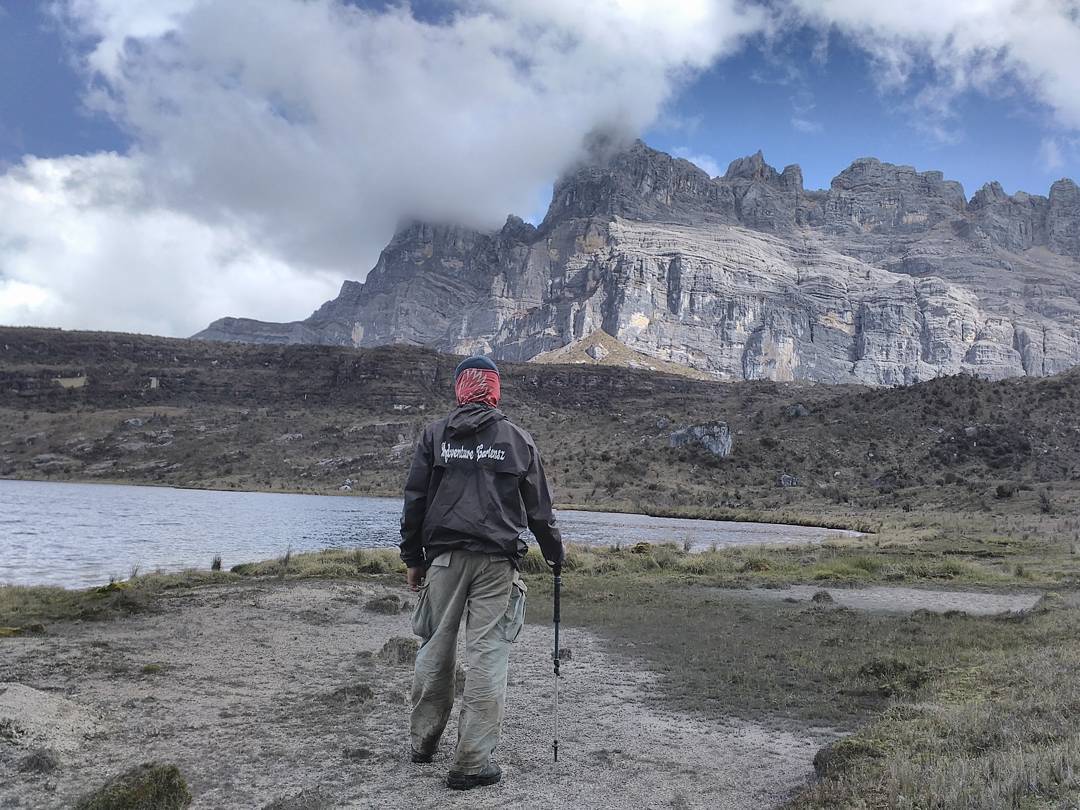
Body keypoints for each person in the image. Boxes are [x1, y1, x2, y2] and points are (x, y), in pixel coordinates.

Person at [399, 355, 564, 791]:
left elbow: (415, 500)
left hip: (444, 561)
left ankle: (423, 744)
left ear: (460, 389)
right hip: (496, 562)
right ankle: (472, 762)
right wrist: (554, 555)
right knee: (488, 653)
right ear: (495, 389)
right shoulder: (518, 439)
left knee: (436, 648)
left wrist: (413, 559)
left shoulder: (435, 435)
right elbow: (540, 512)